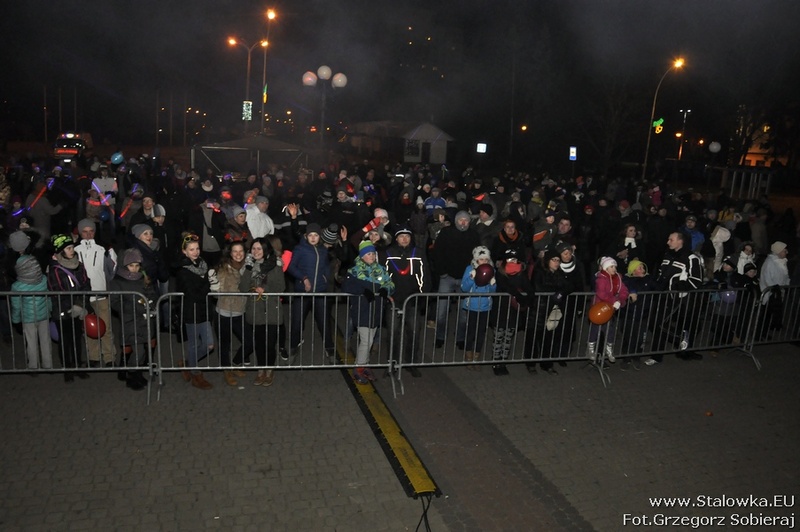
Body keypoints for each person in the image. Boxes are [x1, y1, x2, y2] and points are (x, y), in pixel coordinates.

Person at [646, 231, 704, 365]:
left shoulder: (691, 258)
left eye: (671, 240)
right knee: (655, 324)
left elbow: (697, 280)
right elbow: (661, 274)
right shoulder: (667, 255)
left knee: (668, 324)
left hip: (680, 299)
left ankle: (682, 347)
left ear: (680, 241)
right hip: (664, 296)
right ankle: (659, 354)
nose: (668, 242)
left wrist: (682, 286)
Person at [342, 240, 395, 384]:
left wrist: (385, 289)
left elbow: (390, 283)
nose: (371, 256)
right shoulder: (354, 271)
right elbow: (346, 286)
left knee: (369, 340)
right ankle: (358, 368)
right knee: (366, 340)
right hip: (362, 310)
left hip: (376, 311)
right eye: (368, 254)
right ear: (362, 256)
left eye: (373, 253)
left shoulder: (381, 269)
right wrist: (363, 290)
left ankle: (364, 365)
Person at [382, 224, 431, 378]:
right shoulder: (388, 253)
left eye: (407, 236)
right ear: (396, 238)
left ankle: (411, 363)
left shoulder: (419, 253)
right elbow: (382, 276)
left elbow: (425, 276)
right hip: (393, 301)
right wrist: (385, 294)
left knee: (414, 333)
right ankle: (392, 364)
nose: (404, 239)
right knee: (392, 334)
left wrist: (422, 297)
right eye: (401, 236)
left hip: (413, 301)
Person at [109, 248, 157, 391]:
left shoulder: (143, 278)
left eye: (137, 265)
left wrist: (150, 303)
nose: (135, 269)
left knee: (143, 351)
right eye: (131, 266)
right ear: (125, 266)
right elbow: (114, 302)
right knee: (138, 351)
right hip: (130, 321)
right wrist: (133, 306)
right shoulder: (118, 281)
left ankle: (137, 374)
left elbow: (152, 293)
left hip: (144, 320)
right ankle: (131, 374)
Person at [240, 237, 286, 386]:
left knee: (270, 343)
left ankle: (269, 369)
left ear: (266, 250)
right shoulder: (248, 266)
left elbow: (281, 286)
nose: (256, 251)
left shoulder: (275, 265)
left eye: (259, 248)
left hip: (272, 309)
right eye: (253, 248)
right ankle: (261, 370)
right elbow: (243, 288)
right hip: (255, 309)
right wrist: (248, 269)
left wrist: (265, 289)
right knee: (259, 343)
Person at [431, 210, 480, 349]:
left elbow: (477, 256)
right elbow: (437, 252)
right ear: (456, 221)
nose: (463, 223)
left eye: (466, 220)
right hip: (447, 278)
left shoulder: (474, 235)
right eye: (460, 220)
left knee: (464, 313)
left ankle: (460, 338)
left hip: (465, 280)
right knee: (441, 311)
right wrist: (442, 272)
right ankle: (440, 336)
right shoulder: (446, 233)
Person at [47, 233, 91, 382]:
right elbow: (57, 292)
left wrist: (81, 304)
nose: (72, 250)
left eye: (72, 247)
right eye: (68, 248)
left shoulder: (79, 265)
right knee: (65, 340)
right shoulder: (55, 270)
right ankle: (67, 368)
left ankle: (78, 365)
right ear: (60, 252)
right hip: (62, 311)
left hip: (77, 308)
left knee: (77, 338)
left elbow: (86, 284)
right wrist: (71, 306)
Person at [74, 218, 118, 367]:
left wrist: (105, 283)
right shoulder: (74, 250)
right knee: (88, 328)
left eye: (91, 231)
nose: (88, 235)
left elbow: (113, 269)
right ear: (80, 233)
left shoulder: (104, 249)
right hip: (84, 296)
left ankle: (109, 357)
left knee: (106, 327)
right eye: (85, 232)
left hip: (101, 294)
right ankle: (93, 356)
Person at [287, 223, 335, 358]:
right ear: (306, 236)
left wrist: (325, 278)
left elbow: (326, 266)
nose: (313, 238)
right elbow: (291, 267)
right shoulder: (300, 249)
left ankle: (329, 348)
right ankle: (293, 346)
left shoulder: (323, 250)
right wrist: (304, 278)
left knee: (324, 322)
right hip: (302, 292)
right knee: (297, 321)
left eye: (316, 235)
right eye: (310, 235)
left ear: (320, 237)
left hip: (319, 291)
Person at [175, 232, 215, 390]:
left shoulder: (203, 265)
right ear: (184, 251)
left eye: (197, 248)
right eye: (191, 249)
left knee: (209, 345)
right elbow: (193, 293)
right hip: (191, 311)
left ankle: (187, 363)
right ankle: (195, 374)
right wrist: (208, 285)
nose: (195, 252)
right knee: (194, 344)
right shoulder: (183, 270)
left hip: (204, 309)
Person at [9, 231, 53, 370]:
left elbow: (16, 306)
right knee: (45, 339)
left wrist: (16, 320)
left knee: (31, 341)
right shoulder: (43, 280)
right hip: (44, 314)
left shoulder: (17, 287)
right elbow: (48, 297)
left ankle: (33, 366)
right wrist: (50, 310)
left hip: (28, 317)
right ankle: (48, 364)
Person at [490, 248, 534, 376]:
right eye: (509, 259)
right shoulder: (500, 273)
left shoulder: (521, 273)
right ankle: (495, 362)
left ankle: (503, 361)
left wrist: (528, 298)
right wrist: (519, 295)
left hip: (513, 312)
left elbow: (529, 287)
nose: (512, 261)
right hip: (500, 310)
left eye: (514, 259)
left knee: (508, 338)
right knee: (498, 337)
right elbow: (505, 286)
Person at [214, 241, 252, 386]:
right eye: (235, 251)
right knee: (224, 344)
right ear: (230, 253)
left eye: (241, 251)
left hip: (240, 311)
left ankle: (235, 364)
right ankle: (226, 370)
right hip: (224, 312)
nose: (238, 254)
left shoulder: (248, 267)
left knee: (249, 341)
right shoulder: (224, 269)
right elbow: (217, 293)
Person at [586, 257, 630, 364]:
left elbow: (624, 291)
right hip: (599, 307)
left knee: (610, 329)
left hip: (610, 308)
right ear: (605, 268)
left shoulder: (618, 278)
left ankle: (609, 349)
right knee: (595, 328)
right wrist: (614, 300)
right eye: (611, 266)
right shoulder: (601, 279)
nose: (614, 268)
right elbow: (602, 294)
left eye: (615, 266)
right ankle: (590, 349)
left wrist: (620, 300)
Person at [460, 246, 497, 370]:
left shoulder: (491, 270)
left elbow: (493, 291)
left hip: (485, 307)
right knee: (470, 331)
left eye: (486, 259)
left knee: (481, 332)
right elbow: (464, 288)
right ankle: (468, 356)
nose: (484, 262)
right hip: (472, 306)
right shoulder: (469, 269)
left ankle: (476, 356)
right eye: (481, 259)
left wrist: (492, 284)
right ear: (476, 259)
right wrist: (472, 278)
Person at [758, 241, 790, 337]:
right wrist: (774, 288)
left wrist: (786, 285)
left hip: (778, 292)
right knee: (766, 315)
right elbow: (767, 277)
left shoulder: (782, 262)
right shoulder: (770, 262)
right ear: (778, 251)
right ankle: (760, 333)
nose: (786, 252)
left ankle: (770, 329)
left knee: (772, 313)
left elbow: (785, 275)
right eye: (784, 251)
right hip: (770, 293)